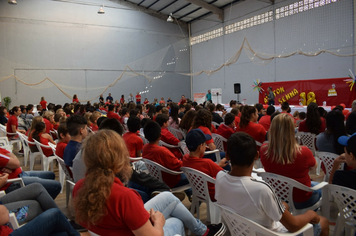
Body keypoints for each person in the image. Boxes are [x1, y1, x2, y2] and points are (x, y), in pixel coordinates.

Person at [73, 130, 225, 236]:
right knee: (176, 221)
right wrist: (158, 222)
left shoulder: (80, 187)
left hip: (119, 227)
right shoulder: (125, 197)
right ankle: (202, 231)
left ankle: (202, 230)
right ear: (118, 160)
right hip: (134, 230)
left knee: (168, 196)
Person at [216, 132, 328, 236]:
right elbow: (294, 225)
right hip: (273, 233)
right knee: (323, 221)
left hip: (243, 230)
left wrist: (280, 206)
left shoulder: (220, 177)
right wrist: (310, 214)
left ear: (227, 155)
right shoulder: (261, 189)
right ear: (256, 156)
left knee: (285, 206)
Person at [260, 113, 321, 210]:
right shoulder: (303, 152)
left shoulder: (264, 150)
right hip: (301, 199)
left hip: (277, 195)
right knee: (320, 187)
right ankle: (313, 219)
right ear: (292, 130)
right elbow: (314, 167)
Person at [182, 129, 227, 201]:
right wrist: (225, 159)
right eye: (205, 144)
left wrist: (218, 166)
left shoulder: (185, 158)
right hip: (214, 194)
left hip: (200, 192)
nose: (206, 146)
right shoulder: (207, 163)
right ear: (200, 147)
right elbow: (225, 176)